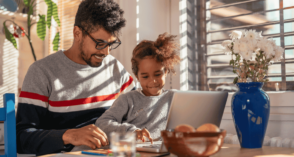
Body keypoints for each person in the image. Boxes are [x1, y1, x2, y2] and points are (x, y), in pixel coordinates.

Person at [16, 0, 135, 155]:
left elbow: (139, 111)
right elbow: (21, 138)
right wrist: (68, 135)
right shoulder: (42, 72)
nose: (106, 53)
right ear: (77, 33)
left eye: (111, 44)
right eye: (100, 43)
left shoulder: (115, 68)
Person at [95, 33, 180, 143]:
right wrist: (131, 131)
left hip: (165, 149)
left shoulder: (175, 97)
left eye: (157, 74)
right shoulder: (128, 99)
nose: (153, 81)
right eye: (145, 76)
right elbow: (102, 123)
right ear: (137, 76)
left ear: (166, 71)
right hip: (136, 151)